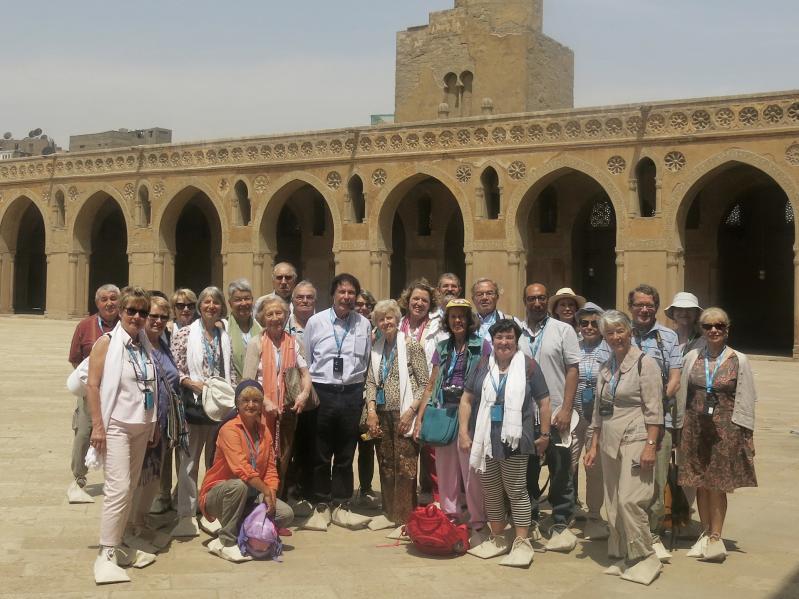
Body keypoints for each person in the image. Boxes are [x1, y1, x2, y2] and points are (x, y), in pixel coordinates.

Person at [584, 310, 664, 585]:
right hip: (608, 438)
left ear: (630, 332)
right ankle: (623, 554)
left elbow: (655, 412)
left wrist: (651, 447)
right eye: (610, 333)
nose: (616, 337)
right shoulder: (606, 367)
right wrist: (593, 445)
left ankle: (645, 556)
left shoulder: (646, 364)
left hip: (637, 436)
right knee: (614, 501)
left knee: (631, 499)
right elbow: (598, 410)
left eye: (620, 331)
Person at [463, 319, 552, 568]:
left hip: (516, 439)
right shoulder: (482, 364)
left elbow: (544, 402)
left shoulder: (528, 366)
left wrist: (545, 435)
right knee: (491, 490)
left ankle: (522, 542)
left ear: (516, 340)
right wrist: (463, 432)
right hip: (486, 439)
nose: (504, 342)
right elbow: (467, 399)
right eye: (500, 338)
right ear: (493, 341)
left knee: (516, 491)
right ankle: (499, 536)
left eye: (509, 337)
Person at [86, 287, 159, 584]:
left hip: (141, 425)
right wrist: (98, 427)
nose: (138, 317)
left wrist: (152, 424)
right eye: (131, 311)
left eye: (143, 312)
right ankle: (105, 553)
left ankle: (119, 543)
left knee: (130, 489)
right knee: (118, 488)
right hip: (116, 425)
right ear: (120, 312)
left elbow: (149, 386)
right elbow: (92, 385)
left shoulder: (144, 345)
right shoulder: (107, 343)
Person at [676, 308, 757, 563]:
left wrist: (747, 435)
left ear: (727, 330)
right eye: (708, 326)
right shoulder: (691, 357)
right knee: (699, 480)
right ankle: (704, 531)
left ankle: (716, 535)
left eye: (719, 326)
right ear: (701, 329)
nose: (713, 330)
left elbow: (747, 398)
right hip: (695, 427)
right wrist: (679, 427)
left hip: (726, 429)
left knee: (718, 483)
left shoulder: (738, 360)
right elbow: (683, 393)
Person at [415, 298, 489, 544]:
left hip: (471, 413)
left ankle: (478, 522)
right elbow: (431, 383)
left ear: (469, 320)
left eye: (462, 316)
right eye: (453, 316)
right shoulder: (443, 347)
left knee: (472, 472)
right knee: (445, 472)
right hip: (445, 412)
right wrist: (420, 419)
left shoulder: (482, 346)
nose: (457, 321)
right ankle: (451, 516)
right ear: (447, 320)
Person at [302, 273, 372, 531]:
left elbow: (365, 362)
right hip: (323, 392)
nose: (347, 297)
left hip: (352, 392)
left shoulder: (363, 324)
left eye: (351, 293)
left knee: (345, 452)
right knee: (320, 453)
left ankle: (342, 504)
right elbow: (307, 360)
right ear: (333, 294)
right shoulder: (316, 322)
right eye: (342, 292)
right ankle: (321, 505)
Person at [200, 380, 295, 562]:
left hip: (251, 494)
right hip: (220, 494)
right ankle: (225, 542)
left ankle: (243, 528)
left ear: (261, 405)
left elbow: (270, 469)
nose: (250, 405)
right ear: (237, 403)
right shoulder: (229, 430)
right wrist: (265, 490)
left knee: (285, 514)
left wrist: (272, 493)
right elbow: (242, 468)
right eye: (245, 400)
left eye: (256, 400)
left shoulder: (264, 431)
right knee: (239, 485)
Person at [170, 286, 237, 538]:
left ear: (222, 307)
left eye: (216, 302)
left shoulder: (224, 335)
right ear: (200, 307)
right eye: (207, 302)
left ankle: (209, 508)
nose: (211, 306)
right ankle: (185, 514)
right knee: (188, 463)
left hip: (219, 406)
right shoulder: (185, 334)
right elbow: (175, 368)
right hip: (194, 405)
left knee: (215, 462)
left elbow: (229, 369)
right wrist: (191, 382)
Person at [518, 283, 581, 551]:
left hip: (556, 412)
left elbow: (572, 370)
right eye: (532, 298)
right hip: (524, 413)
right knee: (527, 470)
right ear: (525, 301)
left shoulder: (563, 330)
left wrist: (566, 408)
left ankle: (560, 520)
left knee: (560, 468)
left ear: (547, 301)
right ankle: (530, 517)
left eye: (541, 298)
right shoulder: (516, 333)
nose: (537, 303)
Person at [364, 300, 429, 536]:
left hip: (404, 413)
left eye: (389, 318)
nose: (385, 322)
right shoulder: (377, 347)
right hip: (381, 414)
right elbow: (371, 381)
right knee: (386, 464)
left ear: (397, 319)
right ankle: (389, 512)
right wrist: (371, 411)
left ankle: (405, 517)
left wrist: (411, 411)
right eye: (381, 319)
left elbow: (424, 384)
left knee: (406, 465)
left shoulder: (411, 346)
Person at [628, 283, 682, 559]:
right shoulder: (620, 334)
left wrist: (655, 402)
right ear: (631, 308)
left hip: (660, 419)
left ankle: (653, 533)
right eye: (639, 304)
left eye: (649, 305)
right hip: (627, 419)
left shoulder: (668, 337)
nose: (644, 309)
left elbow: (674, 378)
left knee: (657, 480)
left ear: (656, 308)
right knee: (628, 482)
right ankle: (630, 534)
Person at [243, 294, 312, 496]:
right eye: (270, 314)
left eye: (279, 313)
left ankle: (277, 502)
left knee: (283, 458)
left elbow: (305, 374)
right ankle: (257, 504)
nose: (275, 317)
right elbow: (248, 382)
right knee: (261, 457)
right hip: (261, 413)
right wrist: (265, 402)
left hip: (288, 412)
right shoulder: (256, 343)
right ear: (263, 318)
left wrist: (304, 394)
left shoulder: (294, 342)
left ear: (286, 315)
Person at [126, 295, 180, 554]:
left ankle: (139, 522)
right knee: (136, 477)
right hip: (143, 424)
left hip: (163, 425)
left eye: (163, 317)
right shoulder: (137, 346)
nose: (158, 321)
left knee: (151, 477)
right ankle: (127, 528)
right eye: (153, 316)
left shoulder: (163, 343)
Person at [67, 283, 120, 504]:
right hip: (91, 391)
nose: (109, 303)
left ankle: (116, 479)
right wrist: (91, 382)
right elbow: (75, 357)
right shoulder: (85, 326)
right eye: (104, 299)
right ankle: (78, 480)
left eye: (113, 298)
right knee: (84, 433)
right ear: (97, 303)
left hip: (119, 390)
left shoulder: (127, 324)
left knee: (119, 433)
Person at [398, 278, 443, 504]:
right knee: (405, 451)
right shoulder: (397, 323)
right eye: (415, 298)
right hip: (401, 394)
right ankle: (406, 502)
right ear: (407, 300)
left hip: (429, 393)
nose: (419, 303)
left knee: (430, 449)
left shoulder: (438, 327)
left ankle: (432, 497)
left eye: (424, 300)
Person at [571, 302, 611, 540]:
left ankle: (594, 515)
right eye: (583, 323)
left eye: (594, 323)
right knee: (567, 465)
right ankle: (567, 511)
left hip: (599, 416)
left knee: (594, 468)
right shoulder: (573, 347)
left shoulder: (609, 349)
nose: (588, 327)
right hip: (574, 414)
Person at [353, 288, 379, 507]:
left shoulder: (379, 332)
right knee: (345, 444)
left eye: (366, 305)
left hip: (369, 397)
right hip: (350, 394)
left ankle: (366, 487)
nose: (361, 308)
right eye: (357, 305)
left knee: (367, 445)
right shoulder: (350, 329)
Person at [224, 279, 262, 381]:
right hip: (233, 388)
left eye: (247, 298)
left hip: (260, 387)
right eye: (238, 300)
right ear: (230, 303)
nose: (243, 303)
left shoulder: (261, 328)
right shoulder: (223, 328)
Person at [666, 292, 706, 356]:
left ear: (696, 314)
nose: (684, 313)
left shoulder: (704, 343)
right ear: (673, 312)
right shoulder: (665, 339)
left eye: (689, 309)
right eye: (679, 309)